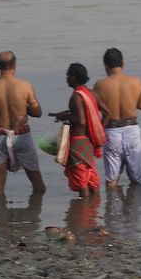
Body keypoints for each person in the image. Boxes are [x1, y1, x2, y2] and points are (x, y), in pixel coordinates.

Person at [0, 51, 47, 197]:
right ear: (15, 65)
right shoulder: (25, 85)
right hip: (21, 135)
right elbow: (37, 113)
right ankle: (35, 215)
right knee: (37, 182)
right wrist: (23, 108)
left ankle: (0, 216)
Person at [92, 48, 141, 189]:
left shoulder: (99, 85)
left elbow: (95, 110)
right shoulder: (136, 81)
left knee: (112, 181)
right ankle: (136, 207)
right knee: (137, 179)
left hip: (111, 133)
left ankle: (113, 208)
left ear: (105, 66)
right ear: (122, 64)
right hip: (132, 132)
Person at [53, 63, 105, 199]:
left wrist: (65, 116)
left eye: (68, 75)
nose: (66, 78)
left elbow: (81, 120)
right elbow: (108, 113)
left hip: (77, 144)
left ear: (74, 78)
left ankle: (83, 214)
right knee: (91, 180)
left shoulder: (76, 96)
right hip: (89, 142)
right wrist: (99, 130)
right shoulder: (92, 93)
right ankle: (93, 212)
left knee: (81, 182)